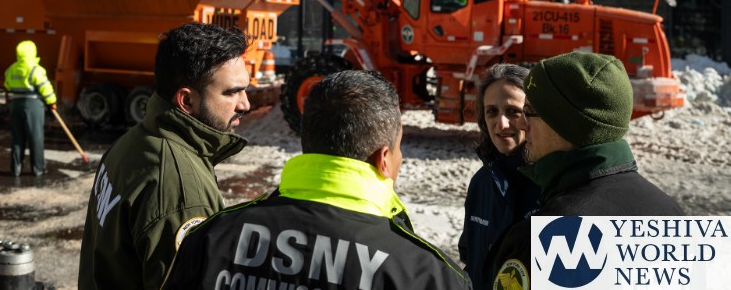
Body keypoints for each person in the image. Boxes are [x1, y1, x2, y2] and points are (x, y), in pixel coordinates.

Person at [164, 70, 470, 290]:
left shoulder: (213, 237)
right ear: (384, 158)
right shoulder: (428, 275)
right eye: (400, 148)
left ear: (308, 140)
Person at [78, 23, 251, 290]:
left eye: (245, 89)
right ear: (187, 101)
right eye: (231, 92)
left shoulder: (134, 141)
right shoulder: (180, 189)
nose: (245, 104)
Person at [490, 51, 684, 289]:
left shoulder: (544, 239)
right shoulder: (674, 216)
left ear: (564, 124)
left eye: (529, 111)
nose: (521, 124)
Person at [458, 64, 540, 290]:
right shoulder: (481, 183)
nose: (502, 124)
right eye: (492, 112)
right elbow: (470, 257)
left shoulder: (552, 185)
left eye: (513, 111)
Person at [3, 40, 57, 177]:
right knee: (35, 136)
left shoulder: (11, 69)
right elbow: (45, 88)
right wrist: (52, 102)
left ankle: (16, 169)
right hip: (32, 105)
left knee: (17, 137)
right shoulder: (36, 70)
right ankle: (38, 168)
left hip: (15, 105)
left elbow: (7, 85)